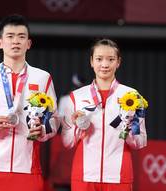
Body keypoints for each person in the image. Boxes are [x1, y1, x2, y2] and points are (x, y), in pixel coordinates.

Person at [0, 14, 60, 191]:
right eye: (10, 36)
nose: (16, 41)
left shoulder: (43, 78)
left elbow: (54, 119)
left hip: (29, 170)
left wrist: (43, 130)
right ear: (0, 43)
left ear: (28, 44)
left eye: (21, 36)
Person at [61, 38, 147, 191]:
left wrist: (127, 128)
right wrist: (78, 127)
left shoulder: (132, 96)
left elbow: (140, 142)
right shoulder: (76, 96)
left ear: (118, 62)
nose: (105, 65)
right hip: (84, 175)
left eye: (111, 59)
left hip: (119, 175)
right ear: (91, 61)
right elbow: (67, 142)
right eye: (99, 59)